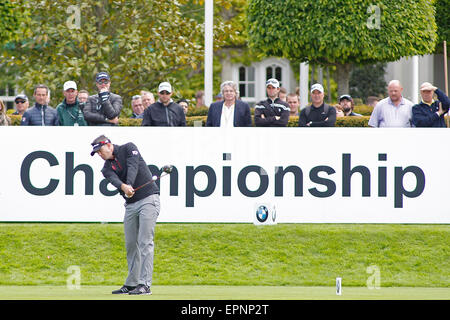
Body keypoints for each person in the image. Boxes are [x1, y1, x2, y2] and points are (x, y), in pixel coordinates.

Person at [90, 135, 160, 295]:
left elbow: (133, 166)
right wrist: (124, 187)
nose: (100, 155)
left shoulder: (129, 148)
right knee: (131, 244)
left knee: (145, 242)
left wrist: (128, 184)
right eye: (97, 153)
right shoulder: (106, 168)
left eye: (100, 151)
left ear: (108, 145)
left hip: (148, 199)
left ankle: (145, 284)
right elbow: (114, 180)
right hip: (131, 205)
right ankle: (132, 283)